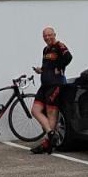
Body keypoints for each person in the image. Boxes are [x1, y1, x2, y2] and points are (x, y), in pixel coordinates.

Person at [30, 26, 72, 154]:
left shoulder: (60, 45)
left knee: (51, 113)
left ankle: (47, 143)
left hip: (56, 84)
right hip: (44, 85)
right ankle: (51, 134)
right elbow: (47, 66)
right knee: (35, 110)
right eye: (45, 36)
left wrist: (60, 66)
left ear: (54, 34)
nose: (47, 37)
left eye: (49, 35)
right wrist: (40, 70)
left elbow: (69, 57)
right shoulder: (46, 49)